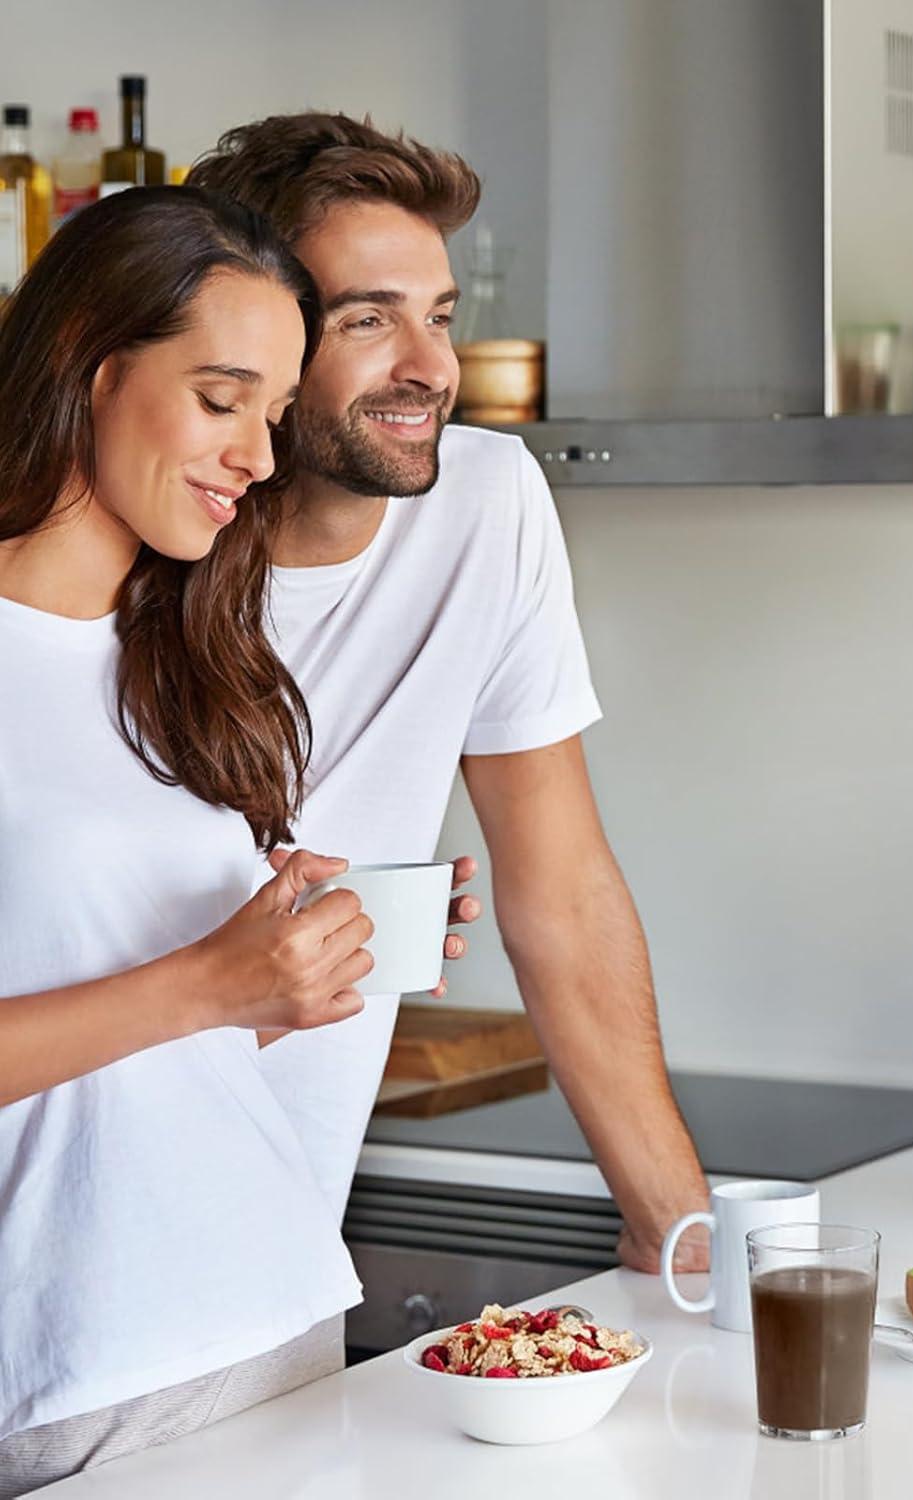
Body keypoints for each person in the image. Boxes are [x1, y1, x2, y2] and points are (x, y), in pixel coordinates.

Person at [187, 116, 712, 1270]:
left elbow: (561, 889)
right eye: (368, 319)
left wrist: (675, 1235)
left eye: (438, 316)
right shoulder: (131, 532)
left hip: (283, 1245)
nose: (429, 368)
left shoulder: (489, 502)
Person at [0, 188, 375, 1492]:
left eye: (273, 416)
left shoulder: (182, 665)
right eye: (223, 400)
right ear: (90, 369)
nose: (260, 459)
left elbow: (148, 1047)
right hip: (84, 1373)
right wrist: (208, 984)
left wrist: (281, 971)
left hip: (281, 1314)